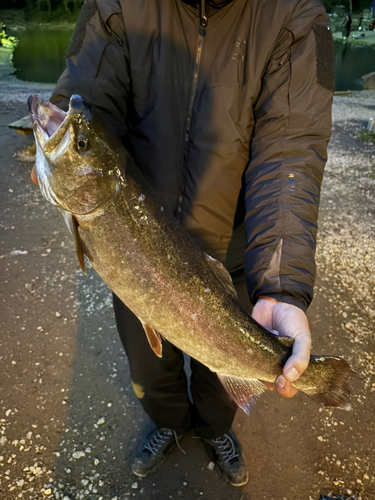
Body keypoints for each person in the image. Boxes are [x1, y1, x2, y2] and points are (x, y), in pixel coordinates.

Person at [31, 0, 334, 487]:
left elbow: (289, 148)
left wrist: (279, 285)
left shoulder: (293, 13)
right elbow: (88, 98)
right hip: (135, 247)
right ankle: (169, 423)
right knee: (150, 367)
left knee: (225, 372)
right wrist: (68, 136)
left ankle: (215, 430)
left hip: (232, 249)